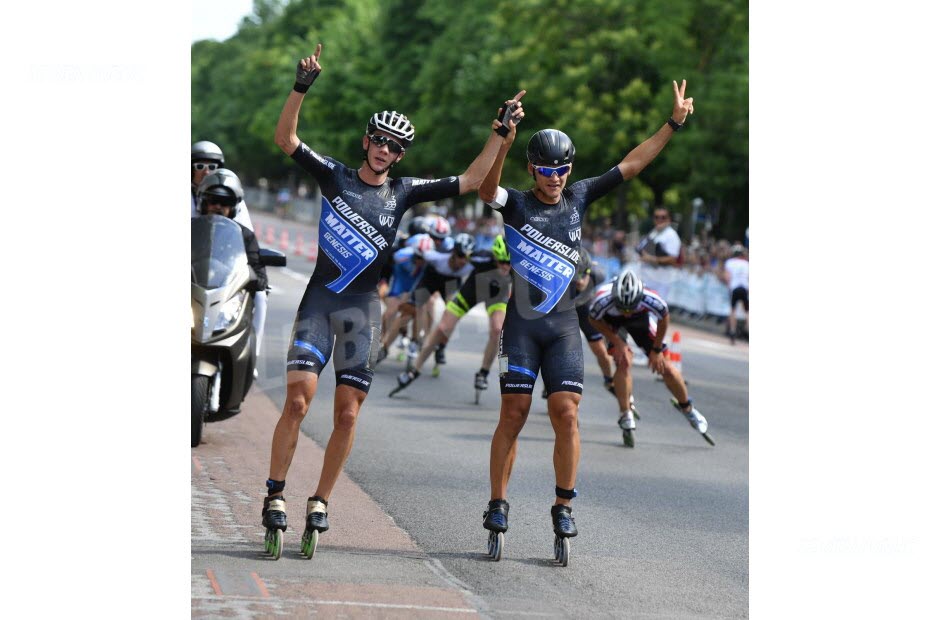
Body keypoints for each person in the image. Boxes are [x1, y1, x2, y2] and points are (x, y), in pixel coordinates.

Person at [260, 44, 525, 551]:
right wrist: (300, 87)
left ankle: (320, 500)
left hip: (362, 310)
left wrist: (499, 133)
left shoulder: (403, 192)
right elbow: (286, 139)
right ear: (367, 141)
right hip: (320, 302)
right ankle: (274, 493)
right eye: (380, 141)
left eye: (395, 147)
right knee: (297, 401)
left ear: (401, 155)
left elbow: (472, 180)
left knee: (347, 414)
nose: (385, 150)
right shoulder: (334, 175)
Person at [477, 80, 694, 548]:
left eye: (561, 170)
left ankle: (563, 506)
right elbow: (485, 189)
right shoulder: (516, 203)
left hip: (562, 328)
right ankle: (497, 502)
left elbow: (632, 164)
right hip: (521, 326)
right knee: (513, 413)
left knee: (566, 413)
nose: (554, 178)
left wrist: (672, 124)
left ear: (569, 169)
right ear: (531, 169)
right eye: (545, 170)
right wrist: (503, 141)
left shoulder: (578, 197)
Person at [588, 268, 711, 447]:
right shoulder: (601, 300)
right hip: (612, 322)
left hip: (641, 321)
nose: (627, 313)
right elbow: (593, 320)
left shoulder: (651, 298)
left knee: (666, 368)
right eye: (623, 308)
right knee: (623, 361)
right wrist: (616, 341)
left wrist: (657, 350)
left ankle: (687, 408)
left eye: (630, 308)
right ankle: (625, 414)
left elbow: (664, 318)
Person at [390, 234, 513, 395]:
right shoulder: (481, 257)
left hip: (496, 296)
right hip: (472, 292)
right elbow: (453, 257)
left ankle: (483, 373)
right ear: (494, 256)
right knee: (443, 327)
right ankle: (415, 369)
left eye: (508, 263)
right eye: (501, 262)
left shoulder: (518, 266)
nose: (505, 266)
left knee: (497, 330)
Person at [191, 141, 267, 366]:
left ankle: (251, 357)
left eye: (212, 167)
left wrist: (255, 276)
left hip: (223, 277)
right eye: (200, 166)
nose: (206, 171)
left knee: (261, 296)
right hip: (191, 273)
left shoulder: (233, 194)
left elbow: (247, 244)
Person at [195, 169, 268, 296]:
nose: (218, 206)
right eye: (213, 200)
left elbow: (259, 275)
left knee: (261, 296)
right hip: (192, 292)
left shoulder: (245, 235)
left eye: (225, 202)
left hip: (230, 296)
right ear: (204, 203)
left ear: (233, 207)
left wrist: (250, 278)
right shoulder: (190, 228)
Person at [722, 243, 749, 343]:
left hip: (735, 288)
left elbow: (727, 277)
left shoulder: (730, 262)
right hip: (744, 288)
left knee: (733, 310)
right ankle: (748, 330)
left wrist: (729, 286)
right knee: (747, 311)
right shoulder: (746, 263)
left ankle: (733, 331)